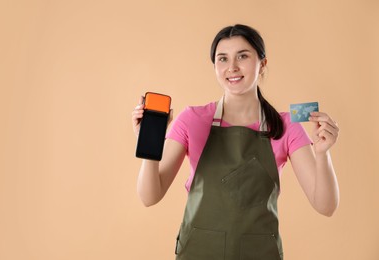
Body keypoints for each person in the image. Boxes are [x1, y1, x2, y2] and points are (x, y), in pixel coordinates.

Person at [132, 24, 339, 260]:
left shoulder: (286, 125)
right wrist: (149, 144)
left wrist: (323, 154)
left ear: (262, 63)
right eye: (222, 59)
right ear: (214, 67)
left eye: (242, 56)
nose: (232, 67)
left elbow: (326, 206)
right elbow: (150, 196)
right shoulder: (192, 119)